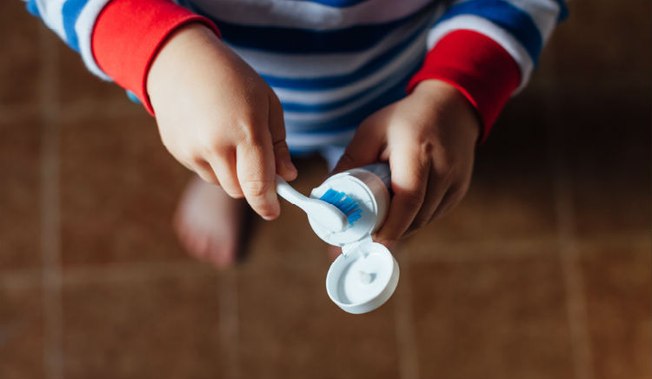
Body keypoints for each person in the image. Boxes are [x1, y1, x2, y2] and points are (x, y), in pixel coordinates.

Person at [26, 0, 566, 267]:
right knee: (233, 155)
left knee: (380, 169)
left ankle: (361, 216)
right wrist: (161, 52)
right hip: (203, 82)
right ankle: (227, 183)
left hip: (395, 88)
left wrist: (455, 90)